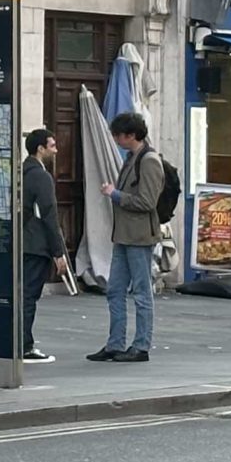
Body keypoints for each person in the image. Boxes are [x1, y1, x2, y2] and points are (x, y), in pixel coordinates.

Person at [93, 110, 163, 363]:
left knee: (142, 292)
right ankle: (115, 343)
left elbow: (146, 201)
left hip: (140, 235)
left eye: (118, 136)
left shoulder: (149, 160)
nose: (115, 140)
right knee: (115, 290)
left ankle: (141, 345)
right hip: (123, 235)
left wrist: (115, 194)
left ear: (131, 135)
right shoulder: (132, 157)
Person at [21, 130, 70, 362]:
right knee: (29, 294)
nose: (56, 150)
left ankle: (18, 341)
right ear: (40, 149)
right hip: (35, 243)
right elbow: (49, 215)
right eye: (52, 145)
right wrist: (58, 252)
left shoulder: (22, 171)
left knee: (21, 293)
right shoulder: (42, 177)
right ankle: (25, 345)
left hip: (20, 241)